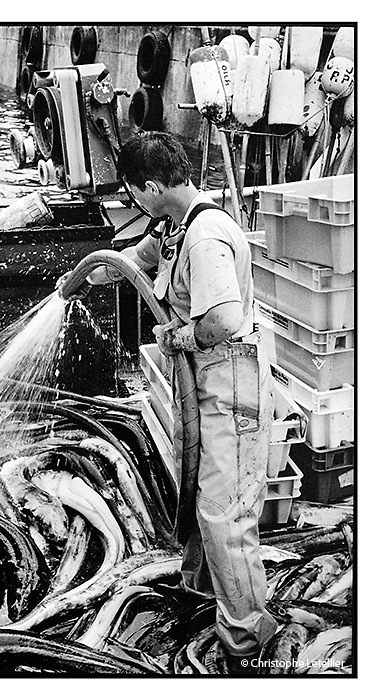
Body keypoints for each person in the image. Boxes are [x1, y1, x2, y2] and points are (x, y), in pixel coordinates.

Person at [58, 131, 277, 673]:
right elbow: (132, 259)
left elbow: (224, 320)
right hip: (200, 386)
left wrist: (181, 337)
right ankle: (207, 595)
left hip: (229, 385)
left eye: (135, 192)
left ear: (153, 186)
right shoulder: (174, 225)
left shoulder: (204, 237)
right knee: (201, 497)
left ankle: (247, 637)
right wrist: (83, 276)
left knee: (225, 511)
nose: (134, 202)